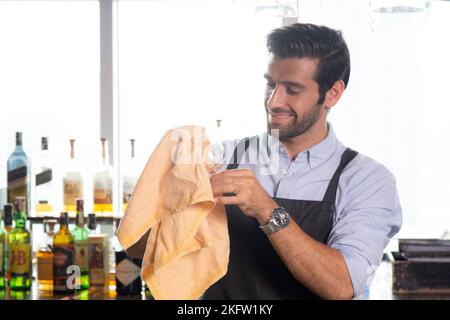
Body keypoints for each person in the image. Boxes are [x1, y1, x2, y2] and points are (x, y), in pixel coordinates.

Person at [203, 23, 402, 300]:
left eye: (292, 90)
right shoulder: (218, 159)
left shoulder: (366, 180)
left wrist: (266, 209)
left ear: (332, 93)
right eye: (270, 84)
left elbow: (342, 285)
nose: (274, 101)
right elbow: (144, 249)